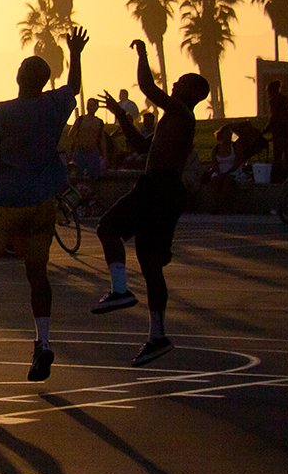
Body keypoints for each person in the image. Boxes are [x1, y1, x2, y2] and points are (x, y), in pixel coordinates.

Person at [0, 26, 88, 383]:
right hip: (43, 202)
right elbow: (74, 87)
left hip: (8, 200)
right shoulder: (55, 105)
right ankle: (42, 342)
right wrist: (76, 53)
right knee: (36, 273)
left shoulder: (3, 112)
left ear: (18, 77)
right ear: (43, 80)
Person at [91, 40, 212, 367]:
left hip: (159, 187)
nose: (174, 84)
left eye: (180, 82)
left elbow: (146, 85)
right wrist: (122, 117)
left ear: (192, 92)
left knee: (107, 227)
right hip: (166, 191)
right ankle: (157, 336)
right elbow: (141, 146)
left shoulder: (181, 112)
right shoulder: (174, 120)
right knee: (150, 263)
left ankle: (120, 290)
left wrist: (143, 55)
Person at [265, 80, 288, 172]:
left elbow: (274, 117)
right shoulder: (285, 99)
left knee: (278, 157)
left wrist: (266, 129)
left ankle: (280, 175)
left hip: (283, 132)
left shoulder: (274, 101)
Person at [69, 98, 108, 181]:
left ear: (96, 107)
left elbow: (102, 140)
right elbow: (71, 133)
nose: (90, 107)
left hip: (93, 152)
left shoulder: (99, 122)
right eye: (89, 105)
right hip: (80, 151)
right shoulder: (81, 120)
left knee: (94, 176)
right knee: (77, 176)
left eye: (92, 105)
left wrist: (104, 156)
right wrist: (78, 142)